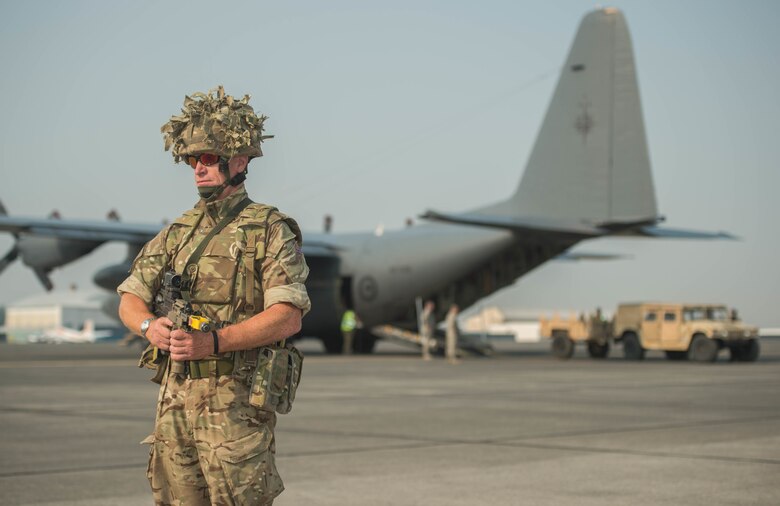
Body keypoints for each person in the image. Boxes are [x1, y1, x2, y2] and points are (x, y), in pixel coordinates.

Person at [117, 86, 310, 506]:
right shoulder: (177, 232)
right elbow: (130, 299)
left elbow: (288, 315)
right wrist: (151, 327)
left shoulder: (269, 229)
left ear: (238, 161)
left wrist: (214, 341)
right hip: (175, 402)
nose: (198, 169)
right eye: (192, 160)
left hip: (234, 404)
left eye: (207, 159)